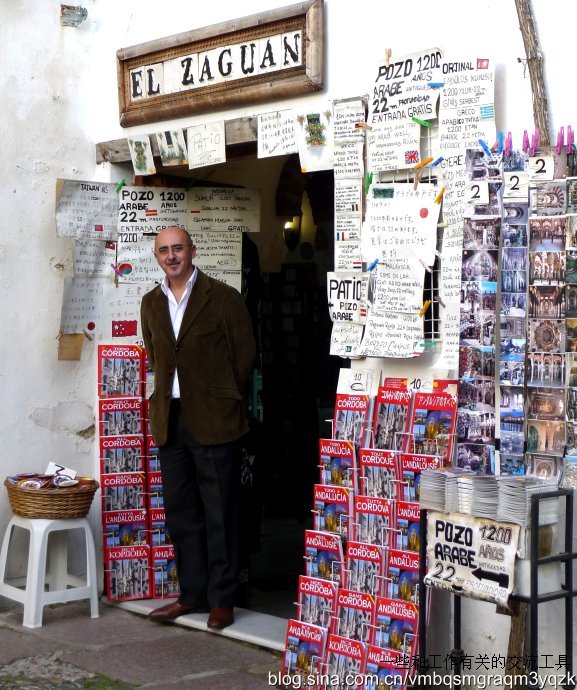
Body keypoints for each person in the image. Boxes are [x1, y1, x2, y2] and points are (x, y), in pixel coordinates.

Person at [141, 226, 256, 630]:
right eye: (163, 251)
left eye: (178, 248)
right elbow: (157, 355)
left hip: (214, 419)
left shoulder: (223, 297)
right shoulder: (151, 303)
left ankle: (222, 600)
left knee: (220, 512)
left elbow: (244, 358)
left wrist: (222, 399)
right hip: (170, 419)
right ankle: (191, 594)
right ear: (156, 257)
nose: (171, 256)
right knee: (181, 512)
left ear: (192, 250)